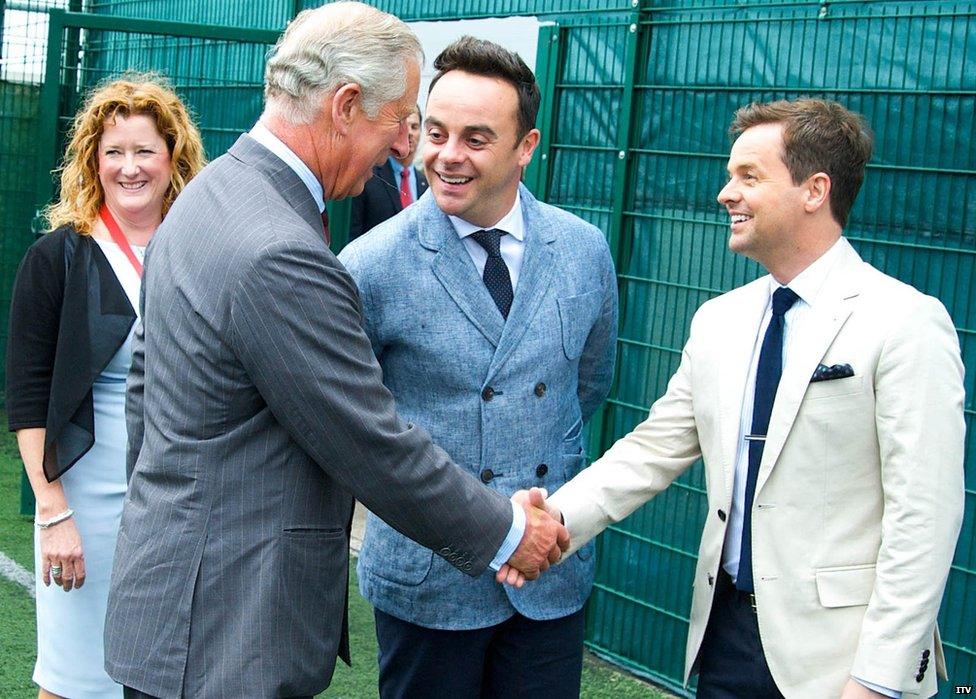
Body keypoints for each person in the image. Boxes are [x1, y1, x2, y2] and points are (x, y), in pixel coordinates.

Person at [101, 5, 567, 699]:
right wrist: (505, 532)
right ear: (346, 105)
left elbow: (148, 388)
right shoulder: (280, 249)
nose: (406, 146)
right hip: (228, 630)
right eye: (402, 119)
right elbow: (366, 438)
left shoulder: (211, 194)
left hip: (180, 606)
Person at [522, 99, 965, 698]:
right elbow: (652, 450)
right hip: (724, 636)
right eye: (731, 176)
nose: (725, 193)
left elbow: (925, 519)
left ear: (815, 190)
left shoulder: (906, 321)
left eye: (748, 177)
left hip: (841, 662)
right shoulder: (719, 321)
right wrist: (551, 522)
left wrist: (876, 680)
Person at [338, 36, 617, 698]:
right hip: (428, 582)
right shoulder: (369, 264)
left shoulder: (583, 251)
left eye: (476, 137)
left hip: (549, 576)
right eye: (435, 132)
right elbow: (358, 428)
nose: (447, 155)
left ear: (527, 146)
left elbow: (588, 388)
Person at [5, 75, 205, 699]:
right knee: (74, 679)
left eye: (144, 150)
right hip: (84, 499)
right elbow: (28, 395)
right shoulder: (58, 256)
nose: (129, 167)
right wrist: (53, 510)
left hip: (180, 495)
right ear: (93, 159)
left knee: (171, 675)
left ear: (173, 156)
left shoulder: (202, 247)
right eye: (113, 151)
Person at [348, 103, 428, 240]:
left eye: (414, 127)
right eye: (402, 127)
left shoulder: (426, 184)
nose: (409, 133)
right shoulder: (368, 177)